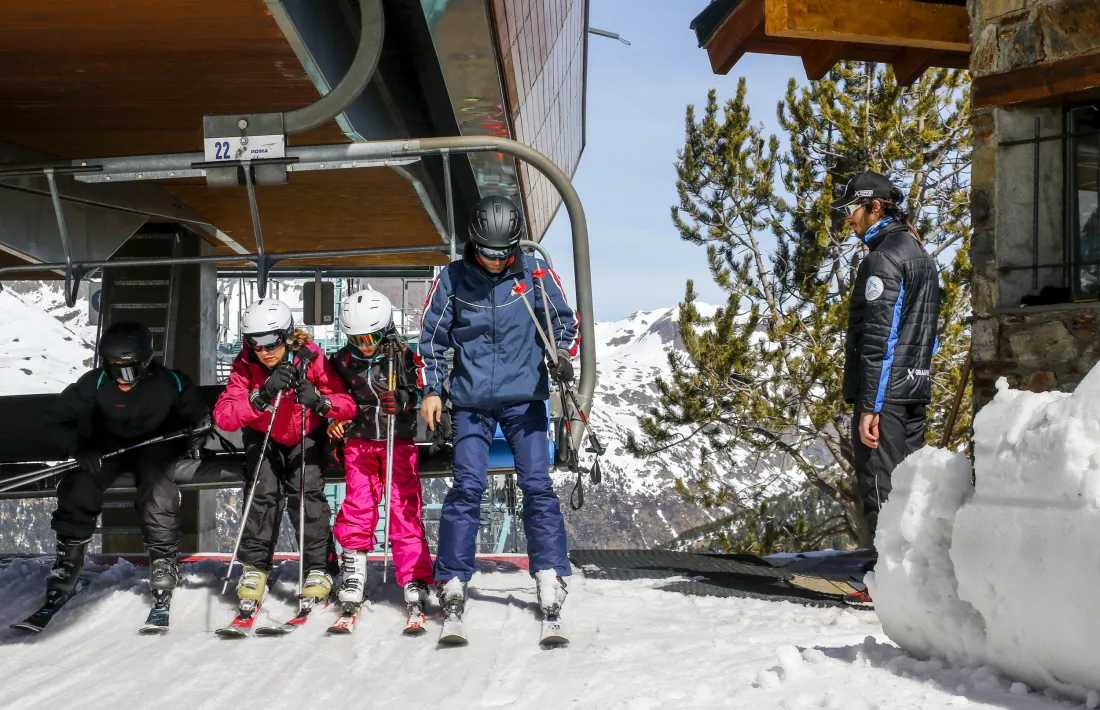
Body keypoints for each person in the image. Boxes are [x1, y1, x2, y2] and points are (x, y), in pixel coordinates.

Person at [418, 195, 579, 628]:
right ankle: (452, 577)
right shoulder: (453, 279)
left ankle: (550, 571)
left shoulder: (534, 274)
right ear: (474, 244)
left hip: (525, 397)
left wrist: (561, 353)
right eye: (488, 254)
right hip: (471, 401)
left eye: (504, 254)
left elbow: (564, 322)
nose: (495, 262)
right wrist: (432, 390)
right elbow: (432, 338)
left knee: (536, 484)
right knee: (466, 487)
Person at [47, 321, 211, 604]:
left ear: (147, 361)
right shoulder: (95, 383)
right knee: (80, 483)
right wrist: (79, 447)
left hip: (155, 445)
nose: (122, 379)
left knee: (157, 485)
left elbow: (199, 417)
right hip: (108, 447)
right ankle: (69, 558)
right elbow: (60, 419)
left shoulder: (169, 383)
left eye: (130, 369)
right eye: (113, 369)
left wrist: (195, 440)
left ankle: (162, 558)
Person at [213, 298, 356, 607]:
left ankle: (319, 566)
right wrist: (260, 396)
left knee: (306, 488)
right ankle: (255, 566)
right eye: (256, 344)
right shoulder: (246, 366)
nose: (265, 351)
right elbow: (223, 415)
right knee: (263, 489)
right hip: (265, 433)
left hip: (305, 432)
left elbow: (346, 402)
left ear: (287, 335)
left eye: (272, 342)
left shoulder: (311, 358)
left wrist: (320, 400)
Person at [833, 171, 940, 544]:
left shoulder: (883, 260)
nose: (848, 218)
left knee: (882, 488)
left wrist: (869, 408)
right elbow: (928, 334)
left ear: (875, 207)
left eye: (852, 208)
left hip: (886, 397)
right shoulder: (919, 255)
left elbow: (881, 339)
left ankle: (884, 584)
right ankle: (911, 582)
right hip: (914, 389)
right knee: (911, 489)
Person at [326, 288, 434, 625]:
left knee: (403, 506)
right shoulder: (343, 361)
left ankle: (414, 574)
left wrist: (403, 399)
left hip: (396, 441)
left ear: (385, 327)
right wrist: (336, 420)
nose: (365, 345)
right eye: (356, 338)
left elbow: (421, 389)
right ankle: (354, 570)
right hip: (360, 443)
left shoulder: (402, 355)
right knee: (358, 505)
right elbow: (335, 397)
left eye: (371, 336)